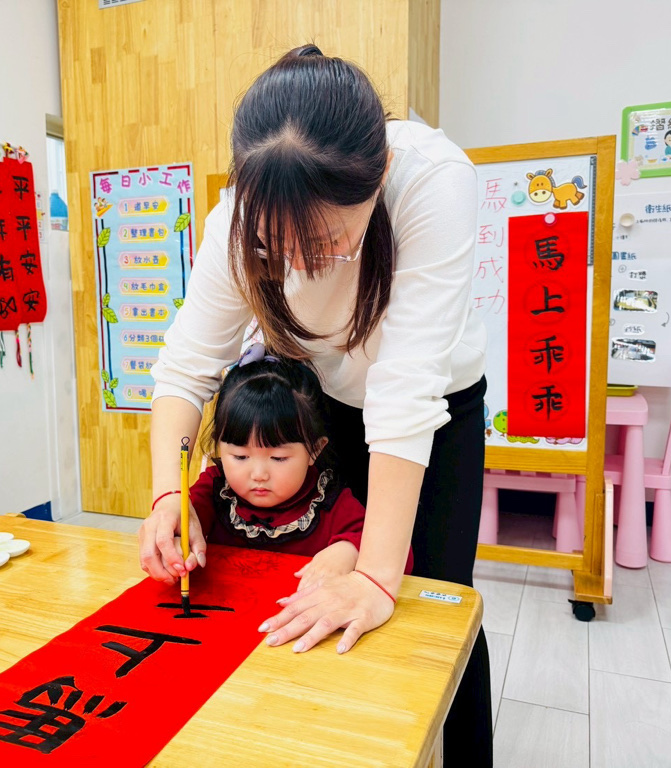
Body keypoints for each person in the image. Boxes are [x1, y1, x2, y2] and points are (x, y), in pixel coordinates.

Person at [140, 45, 491, 765]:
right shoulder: (234, 219)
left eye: (325, 242)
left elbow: (406, 391)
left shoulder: (432, 179)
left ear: (378, 176)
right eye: (276, 245)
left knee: (432, 605)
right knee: (312, 588)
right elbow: (185, 367)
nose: (298, 265)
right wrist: (164, 498)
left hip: (433, 415)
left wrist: (377, 578)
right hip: (329, 407)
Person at [187, 343, 414, 584]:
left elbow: (400, 555)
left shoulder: (330, 503)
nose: (259, 474)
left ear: (314, 450)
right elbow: (180, 522)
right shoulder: (215, 489)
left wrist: (349, 551)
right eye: (241, 457)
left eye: (278, 458)